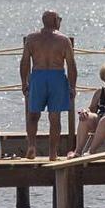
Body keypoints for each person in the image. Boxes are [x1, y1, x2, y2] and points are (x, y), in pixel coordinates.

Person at [20, 10, 77, 161]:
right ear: (54, 21)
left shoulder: (32, 39)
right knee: (55, 117)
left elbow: (25, 62)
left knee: (33, 115)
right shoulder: (63, 40)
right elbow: (71, 65)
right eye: (59, 19)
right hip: (56, 76)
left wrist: (24, 82)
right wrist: (72, 86)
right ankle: (53, 153)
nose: (60, 21)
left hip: (38, 76)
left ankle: (32, 146)